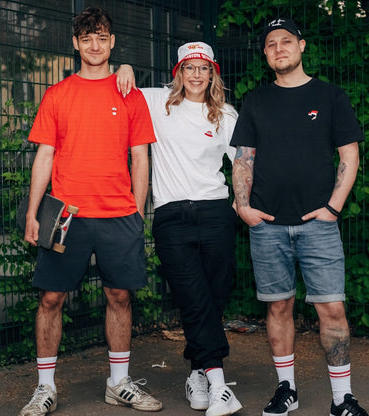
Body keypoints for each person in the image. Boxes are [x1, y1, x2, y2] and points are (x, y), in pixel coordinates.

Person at [19, 7, 162, 415]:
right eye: (87, 39)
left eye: (102, 37)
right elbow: (45, 156)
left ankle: (119, 383)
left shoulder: (130, 94)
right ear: (75, 44)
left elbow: (140, 157)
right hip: (66, 215)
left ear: (112, 42)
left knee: (119, 295)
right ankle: (45, 388)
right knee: (51, 298)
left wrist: (137, 213)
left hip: (119, 215)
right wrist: (32, 213)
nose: (95, 45)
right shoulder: (57, 94)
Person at [230, 18, 369, 416]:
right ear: (265, 54)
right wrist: (244, 207)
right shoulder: (256, 101)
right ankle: (286, 390)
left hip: (318, 226)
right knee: (278, 308)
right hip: (267, 226)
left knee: (332, 309)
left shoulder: (330, 96)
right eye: (271, 44)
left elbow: (349, 154)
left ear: (301, 45)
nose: (279, 48)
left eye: (286, 41)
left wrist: (333, 208)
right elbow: (243, 158)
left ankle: (342, 398)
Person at [116, 41, 242, 416]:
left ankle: (197, 374)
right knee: (192, 297)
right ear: (178, 72)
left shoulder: (225, 114)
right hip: (171, 216)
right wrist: (124, 65)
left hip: (216, 212)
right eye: (189, 67)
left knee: (212, 298)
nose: (196, 75)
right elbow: (117, 87)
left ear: (213, 73)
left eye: (204, 68)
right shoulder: (158, 102)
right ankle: (220, 386)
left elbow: (244, 162)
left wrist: (241, 201)